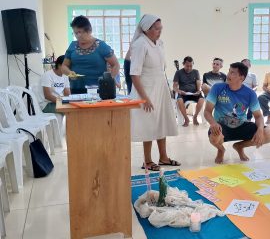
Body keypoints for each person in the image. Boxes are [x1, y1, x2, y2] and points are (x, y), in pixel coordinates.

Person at [130, 14, 179, 171]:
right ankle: (147, 160)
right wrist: (144, 98)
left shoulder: (159, 43)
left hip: (160, 87)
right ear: (146, 29)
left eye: (160, 28)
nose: (159, 31)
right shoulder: (140, 44)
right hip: (146, 89)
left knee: (161, 122)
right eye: (156, 29)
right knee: (149, 124)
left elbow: (161, 68)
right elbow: (134, 74)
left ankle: (163, 157)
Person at [204, 62, 270, 164]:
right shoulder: (217, 88)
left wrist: (259, 130)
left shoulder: (250, 93)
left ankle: (239, 146)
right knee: (214, 138)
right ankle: (221, 149)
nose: (228, 75)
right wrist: (213, 123)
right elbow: (207, 111)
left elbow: (258, 116)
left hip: (241, 125)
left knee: (268, 134)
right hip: (221, 126)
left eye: (232, 73)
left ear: (241, 77)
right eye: (229, 71)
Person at [61, 15, 120, 94]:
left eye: (80, 32)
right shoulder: (72, 46)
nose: (78, 35)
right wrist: (69, 73)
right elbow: (64, 66)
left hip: (99, 89)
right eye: (75, 33)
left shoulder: (101, 46)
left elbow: (115, 64)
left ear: (89, 31)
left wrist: (109, 80)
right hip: (76, 89)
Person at [173, 56, 205, 126]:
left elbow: (198, 82)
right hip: (183, 93)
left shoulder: (196, 72)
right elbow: (174, 87)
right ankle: (186, 118)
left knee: (202, 99)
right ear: (183, 64)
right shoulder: (178, 72)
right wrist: (179, 91)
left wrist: (198, 91)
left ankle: (195, 116)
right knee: (179, 100)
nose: (189, 68)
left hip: (194, 93)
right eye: (187, 66)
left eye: (191, 66)